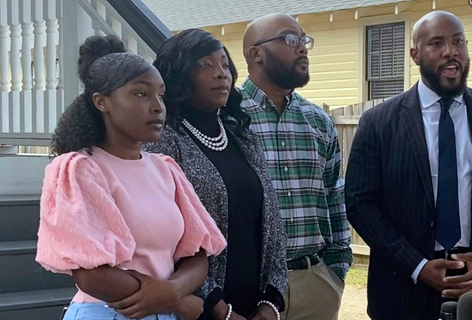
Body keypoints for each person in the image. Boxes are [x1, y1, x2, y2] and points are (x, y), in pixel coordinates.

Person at [345, 11, 472, 320]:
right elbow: (360, 204)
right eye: (437, 43)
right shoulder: (379, 123)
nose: (451, 51)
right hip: (402, 292)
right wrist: (417, 267)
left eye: (458, 42)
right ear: (415, 54)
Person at [35, 35, 227, 320]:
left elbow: (197, 253)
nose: (157, 106)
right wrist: (172, 301)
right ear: (102, 102)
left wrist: (173, 293)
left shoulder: (165, 168)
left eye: (160, 95)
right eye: (141, 94)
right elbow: (90, 274)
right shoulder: (79, 169)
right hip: (105, 312)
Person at [144, 29, 287, 320]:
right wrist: (218, 308)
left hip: (255, 306)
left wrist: (272, 300)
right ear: (179, 75)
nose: (221, 74)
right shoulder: (162, 142)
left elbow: (272, 221)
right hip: (196, 309)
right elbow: (166, 236)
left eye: (224, 65)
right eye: (205, 65)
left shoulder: (242, 136)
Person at [238, 13, 352, 320]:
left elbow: (334, 197)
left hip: (315, 283)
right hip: (249, 286)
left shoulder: (318, 121)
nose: (302, 47)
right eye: (290, 39)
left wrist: (336, 271)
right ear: (255, 53)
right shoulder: (228, 117)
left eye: (304, 40)